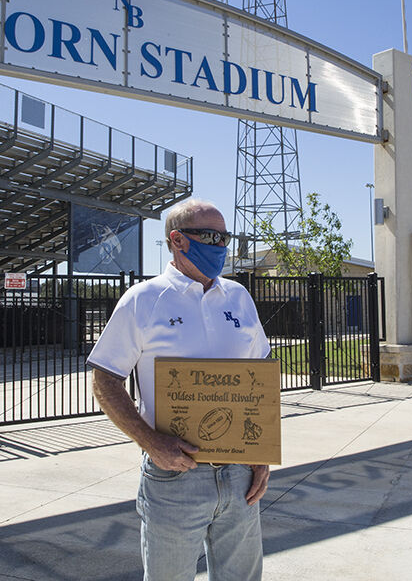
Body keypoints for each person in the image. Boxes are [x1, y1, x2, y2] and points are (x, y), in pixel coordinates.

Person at [87, 198, 271, 581]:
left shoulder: (239, 297)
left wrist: (262, 453)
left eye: (225, 237)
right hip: (174, 476)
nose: (221, 245)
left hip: (239, 475)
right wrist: (151, 442)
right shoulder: (143, 300)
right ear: (177, 240)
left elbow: (261, 374)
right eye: (210, 236)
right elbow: (105, 379)